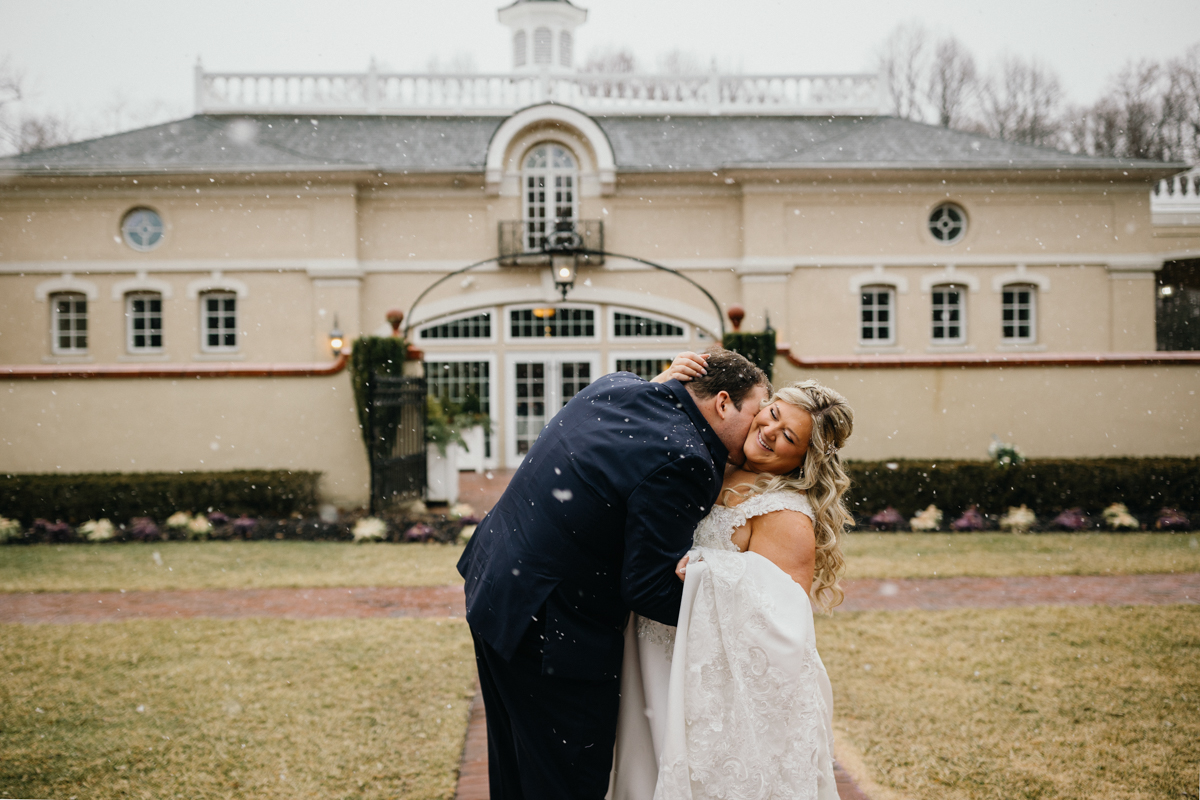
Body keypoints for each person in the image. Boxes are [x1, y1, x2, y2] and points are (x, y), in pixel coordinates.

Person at [458, 347, 770, 800]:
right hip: (555, 630)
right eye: (758, 412)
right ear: (723, 402)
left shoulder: (616, 385)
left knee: (516, 762)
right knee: (567, 779)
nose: (759, 428)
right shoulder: (688, 459)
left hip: (495, 587)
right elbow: (647, 587)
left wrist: (662, 384)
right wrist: (733, 603)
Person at [611, 355, 854, 800]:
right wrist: (659, 387)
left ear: (805, 458)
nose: (770, 431)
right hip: (655, 648)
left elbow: (783, 622)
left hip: (708, 680)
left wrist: (712, 569)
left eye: (789, 437)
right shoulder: (715, 460)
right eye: (774, 413)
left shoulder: (784, 514)